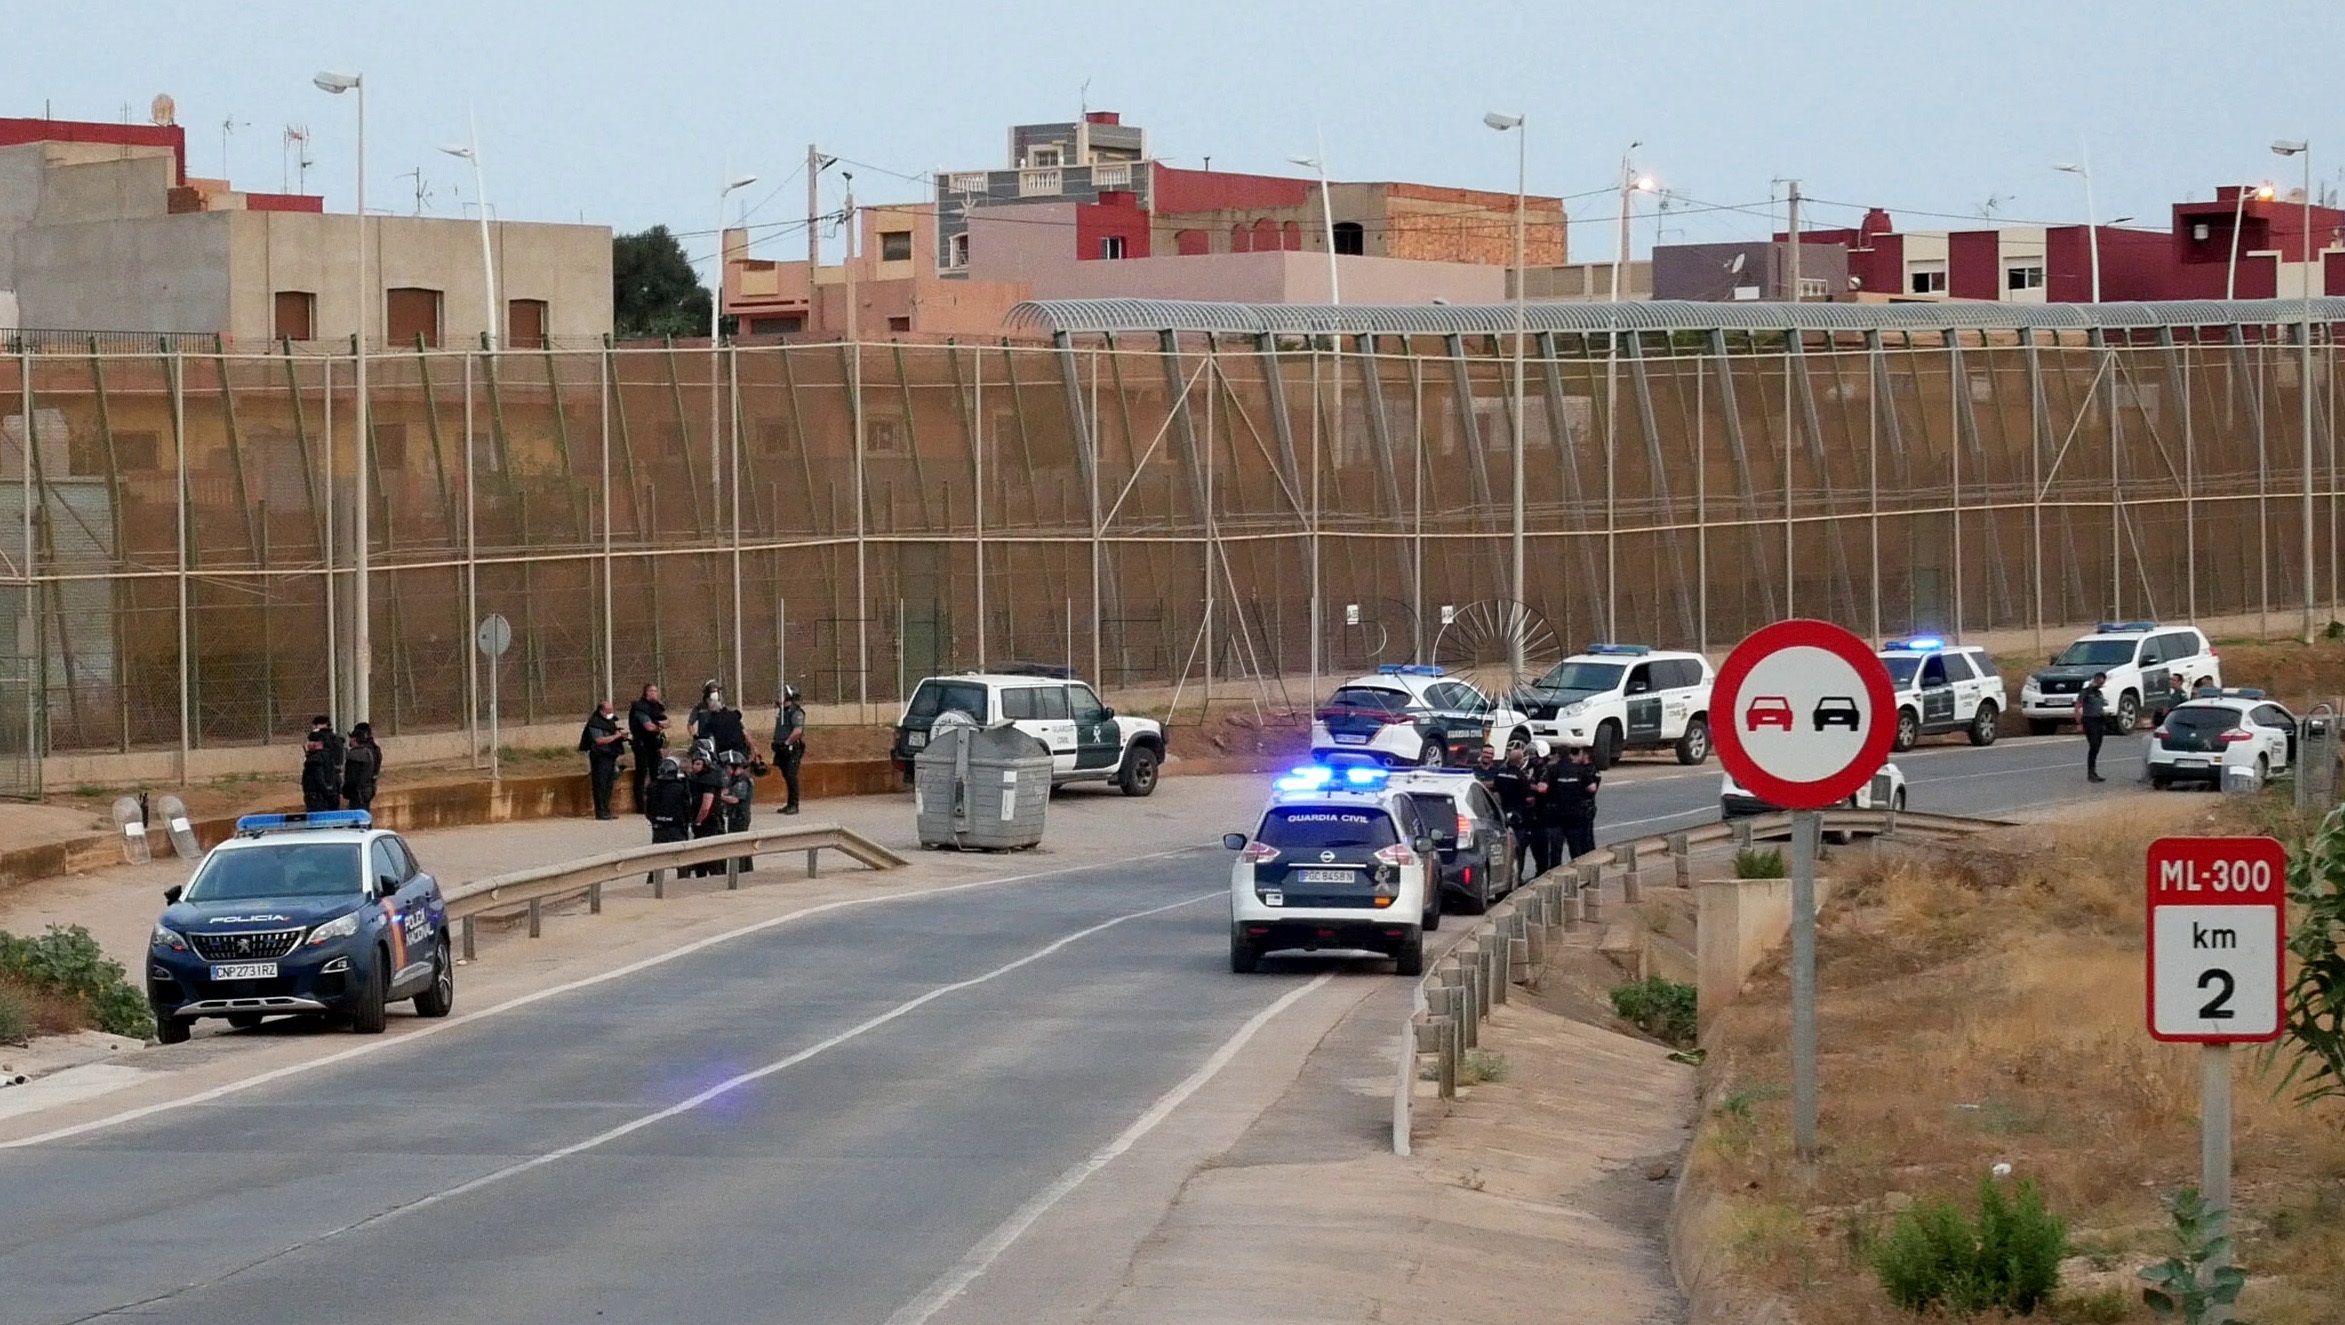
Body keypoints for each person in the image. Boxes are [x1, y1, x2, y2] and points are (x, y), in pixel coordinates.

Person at [1549, 743, 1602, 863]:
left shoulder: (1553, 769)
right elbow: (1592, 787)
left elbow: (1545, 788)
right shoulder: (1580, 770)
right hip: (1576, 812)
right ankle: (1581, 866)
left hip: (1561, 813)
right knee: (1577, 845)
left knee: (1559, 847)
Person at [578, 700, 626, 820]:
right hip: (600, 757)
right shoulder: (595, 723)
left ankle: (607, 809)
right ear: (601, 711)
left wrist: (620, 736)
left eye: (611, 710)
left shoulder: (610, 722)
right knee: (600, 784)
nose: (610, 713)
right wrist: (616, 736)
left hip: (610, 755)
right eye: (608, 710)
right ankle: (600, 811)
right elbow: (599, 740)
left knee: (609, 784)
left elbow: (613, 734)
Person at [627, 683, 670, 813]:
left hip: (653, 744)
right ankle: (641, 806)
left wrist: (658, 725)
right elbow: (648, 726)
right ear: (646, 692)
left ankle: (656, 802)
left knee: (656, 773)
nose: (654, 693)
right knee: (641, 773)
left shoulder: (656, 706)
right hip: (642, 745)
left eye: (656, 691)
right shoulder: (640, 708)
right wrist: (659, 726)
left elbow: (668, 722)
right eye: (652, 691)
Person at [686, 743, 728, 876]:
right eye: (694, 763)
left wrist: (698, 821)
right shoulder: (696, 778)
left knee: (711, 859)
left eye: (698, 763)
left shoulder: (709, 779)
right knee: (700, 862)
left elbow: (706, 806)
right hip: (703, 824)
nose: (695, 766)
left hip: (710, 824)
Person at [692, 680, 752, 762]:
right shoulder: (734, 716)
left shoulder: (711, 722)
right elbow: (747, 736)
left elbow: (708, 743)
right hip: (740, 756)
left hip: (724, 758)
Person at [718, 749, 756, 873]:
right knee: (742, 844)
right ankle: (746, 870)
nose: (726, 770)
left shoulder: (742, 781)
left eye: (728, 767)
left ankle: (741, 871)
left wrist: (720, 797)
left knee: (738, 845)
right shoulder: (735, 780)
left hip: (740, 817)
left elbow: (735, 799)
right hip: (736, 816)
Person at [643, 757, 694, 847]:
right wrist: (688, 822)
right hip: (677, 830)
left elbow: (648, 809)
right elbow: (687, 809)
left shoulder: (652, 787)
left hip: (658, 829)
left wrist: (655, 819)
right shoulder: (681, 788)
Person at [772, 685, 806, 815]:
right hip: (781, 748)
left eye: (782, 694)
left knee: (791, 775)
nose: (779, 696)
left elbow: (798, 731)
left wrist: (787, 743)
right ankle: (789, 803)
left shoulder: (796, 712)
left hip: (791, 748)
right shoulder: (782, 711)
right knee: (786, 775)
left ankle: (794, 805)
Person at [299, 715, 345, 813]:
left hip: (318, 789)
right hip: (334, 780)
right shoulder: (337, 740)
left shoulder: (318, 743)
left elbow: (317, 774)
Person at [341, 721, 383, 813]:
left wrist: (345, 791)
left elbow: (352, 777)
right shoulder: (373, 749)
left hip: (359, 791)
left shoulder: (359, 752)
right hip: (367, 789)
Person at [2080, 671, 2110, 783]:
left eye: (2102, 682)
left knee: (2097, 746)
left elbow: (2101, 706)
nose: (2101, 683)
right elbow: (2078, 706)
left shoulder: (2099, 693)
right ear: (2095, 679)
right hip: (2089, 720)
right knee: (2093, 745)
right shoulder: (2086, 692)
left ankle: (2094, 772)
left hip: (2099, 721)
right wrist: (2078, 723)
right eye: (2099, 681)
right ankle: (2091, 773)